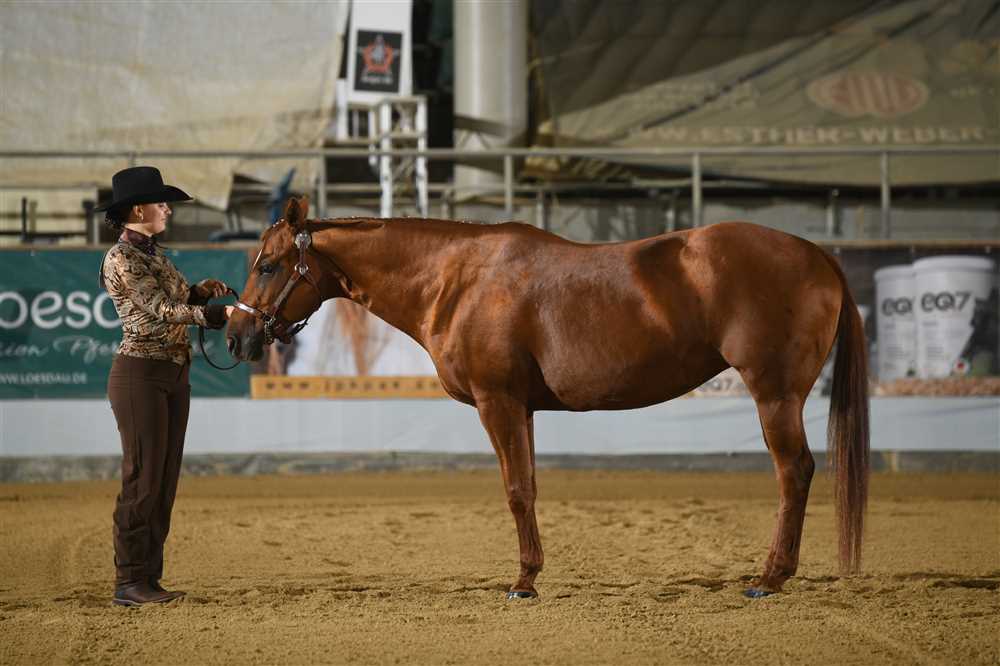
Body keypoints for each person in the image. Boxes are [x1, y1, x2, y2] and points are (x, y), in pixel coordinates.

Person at [96, 166, 234, 607]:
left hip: (171, 374)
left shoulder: (152, 254)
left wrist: (199, 294)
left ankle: (147, 578)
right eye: (161, 203)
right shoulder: (122, 258)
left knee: (163, 481)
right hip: (140, 375)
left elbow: (175, 302)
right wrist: (216, 315)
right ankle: (129, 581)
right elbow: (159, 308)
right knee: (143, 479)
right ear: (139, 210)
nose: (167, 209)